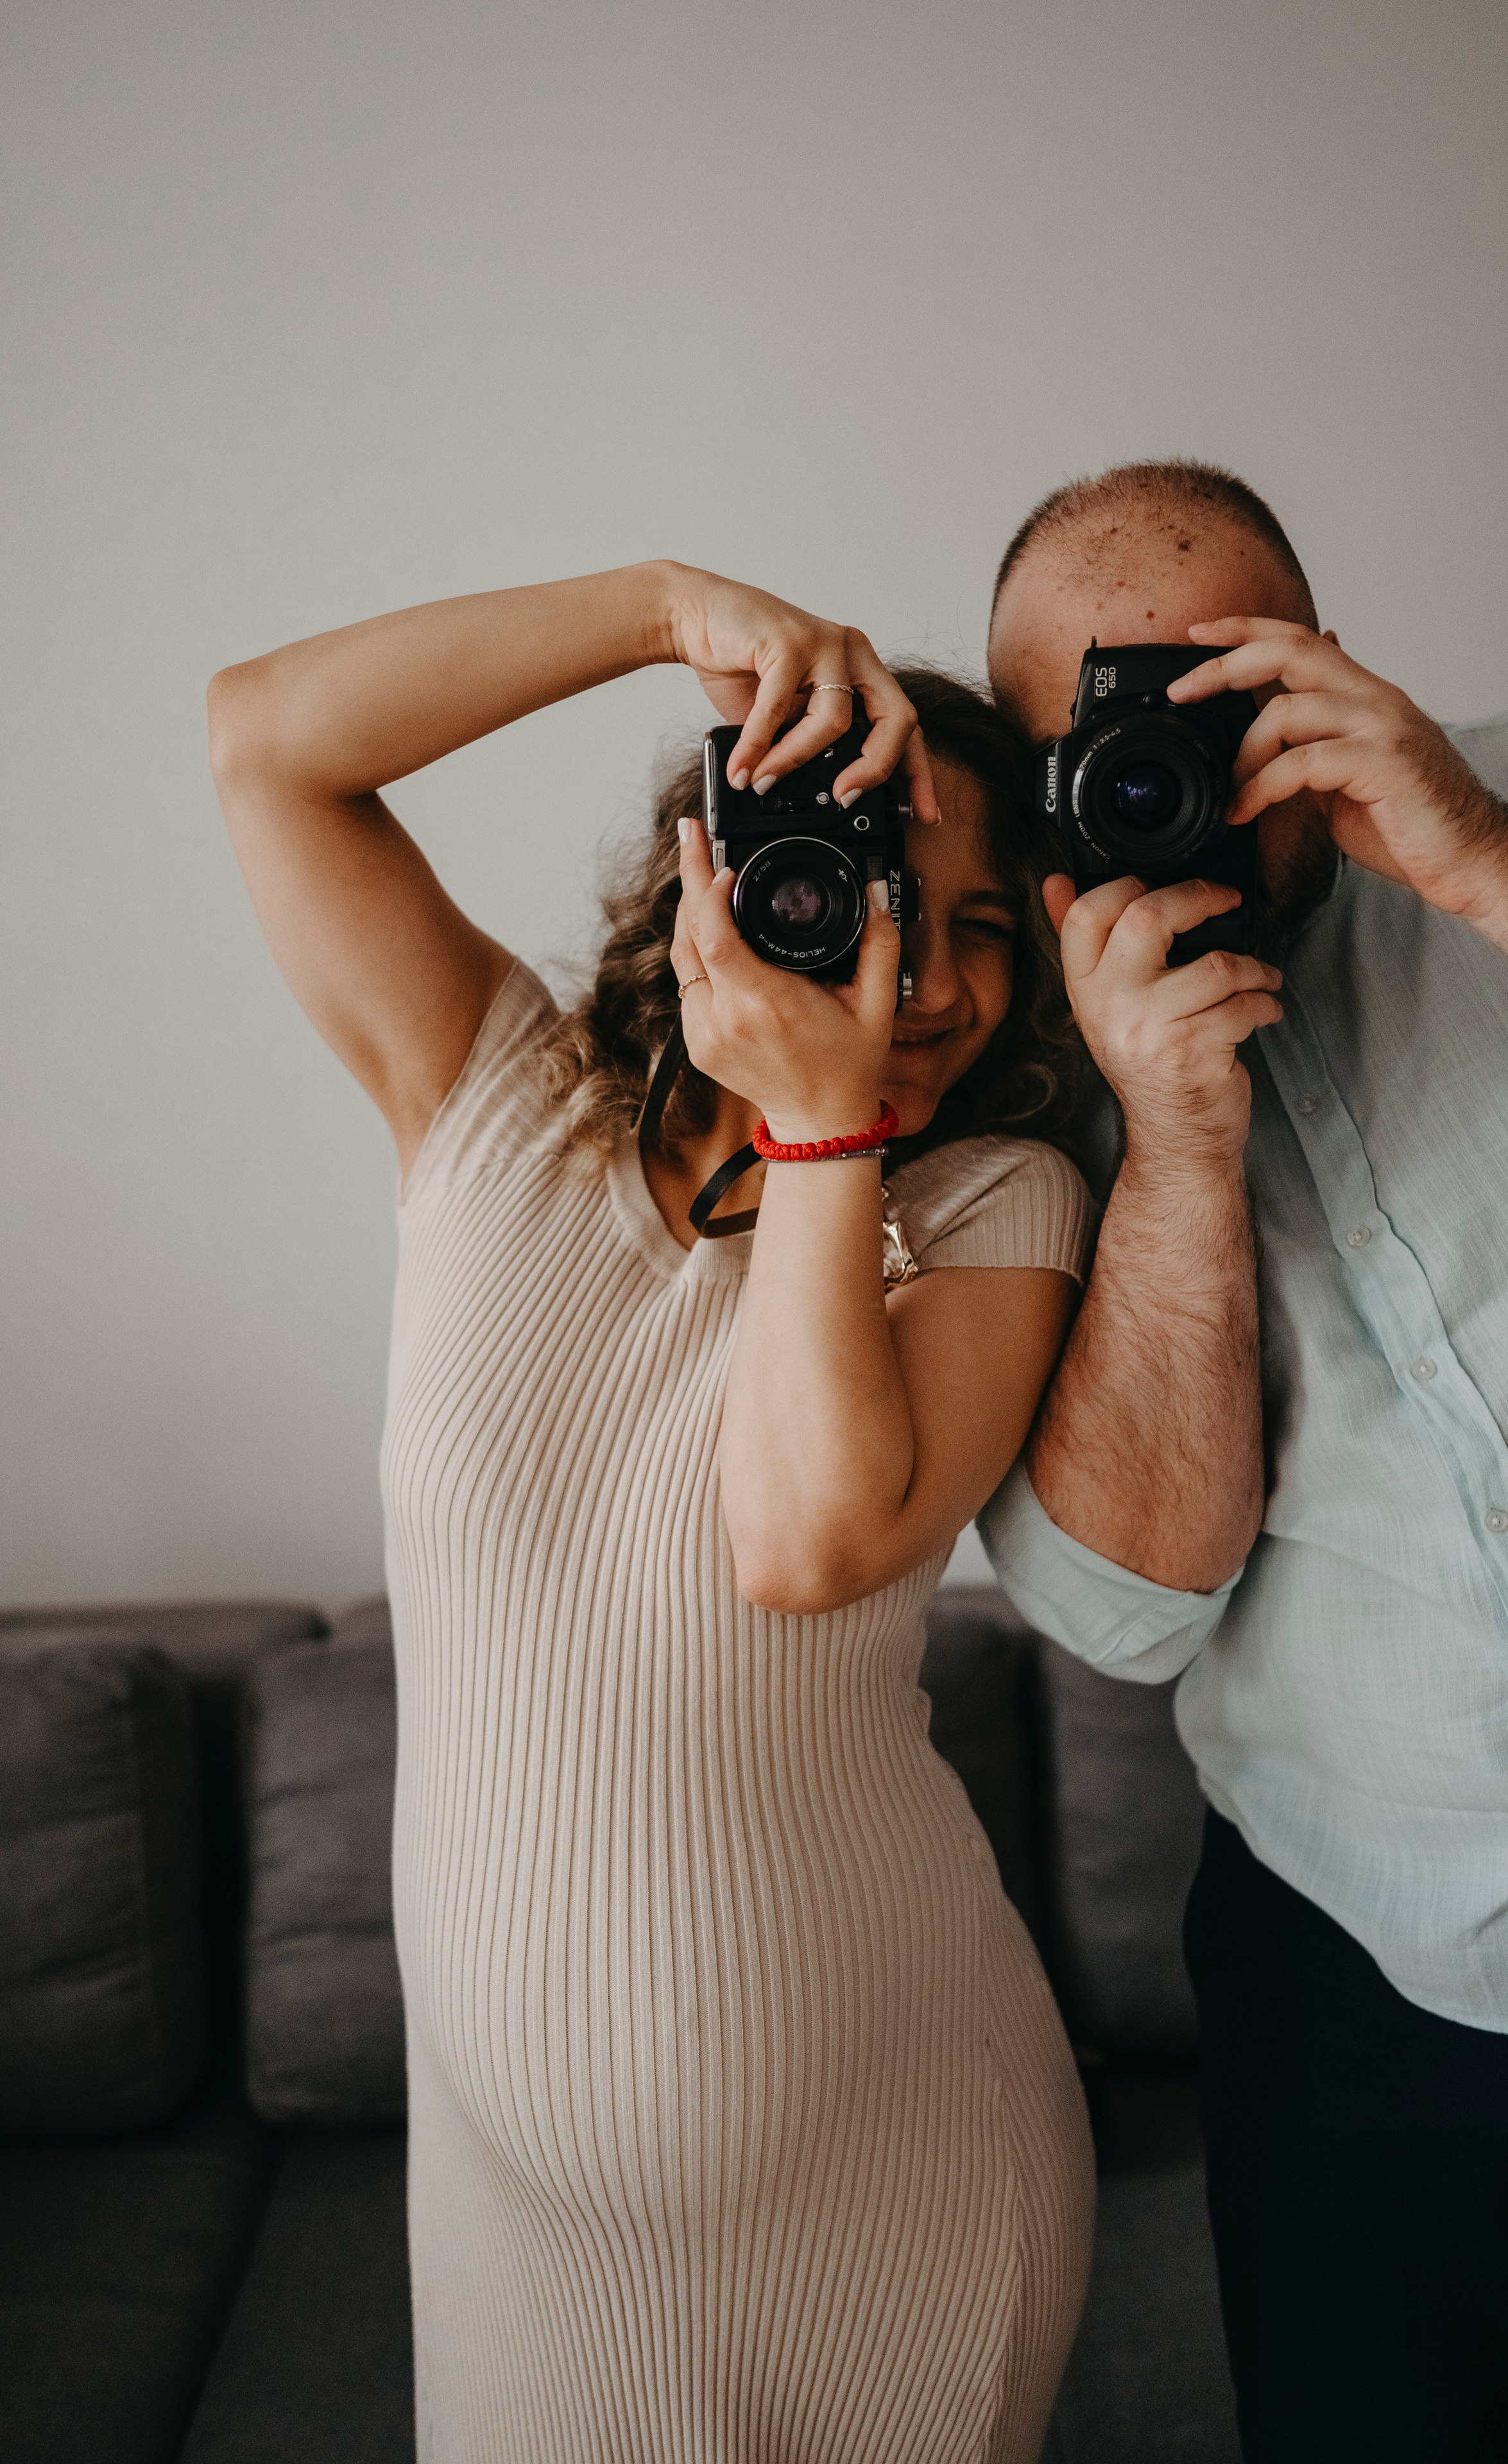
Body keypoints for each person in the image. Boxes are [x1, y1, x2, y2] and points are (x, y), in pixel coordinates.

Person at [207, 560, 1100, 2463]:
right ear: (727, 873)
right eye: (872, 894)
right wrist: (666, 610)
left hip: (897, 2189)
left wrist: (825, 1130)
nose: (929, 981)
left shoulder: (990, 1207)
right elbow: (267, 744)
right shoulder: (494, 1100)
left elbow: (806, 1543)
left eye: (981, 929)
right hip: (515, 2242)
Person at [979, 459, 1508, 2461]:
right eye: (1106, 734)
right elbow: (1124, 1609)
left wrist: (1481, 858)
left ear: (1327, 664)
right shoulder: (1008, 1063)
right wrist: (1175, 1146)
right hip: (1355, 1969)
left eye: (1221, 701)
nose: (1170, 773)